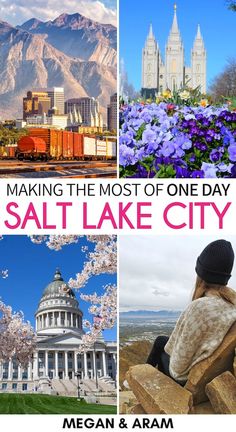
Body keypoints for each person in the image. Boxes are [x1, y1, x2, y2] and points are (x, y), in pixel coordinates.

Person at [146, 239, 236, 385]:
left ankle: (145, 380)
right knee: (161, 340)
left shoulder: (199, 308)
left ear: (201, 275)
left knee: (160, 343)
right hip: (209, 366)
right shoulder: (231, 304)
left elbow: (177, 368)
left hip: (183, 377)